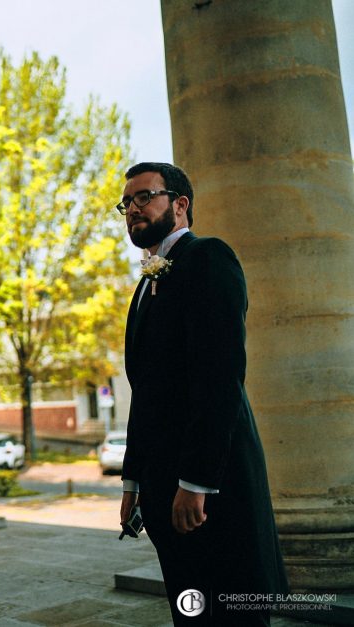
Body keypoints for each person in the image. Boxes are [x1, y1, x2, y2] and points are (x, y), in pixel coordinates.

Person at [118, 162, 288, 624]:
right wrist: (133, 479)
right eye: (126, 203)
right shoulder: (144, 285)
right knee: (190, 611)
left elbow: (220, 377)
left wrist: (195, 483)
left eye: (143, 197)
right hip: (160, 486)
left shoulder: (209, 257)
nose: (132, 209)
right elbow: (146, 393)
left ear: (180, 204)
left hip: (211, 490)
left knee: (229, 609)